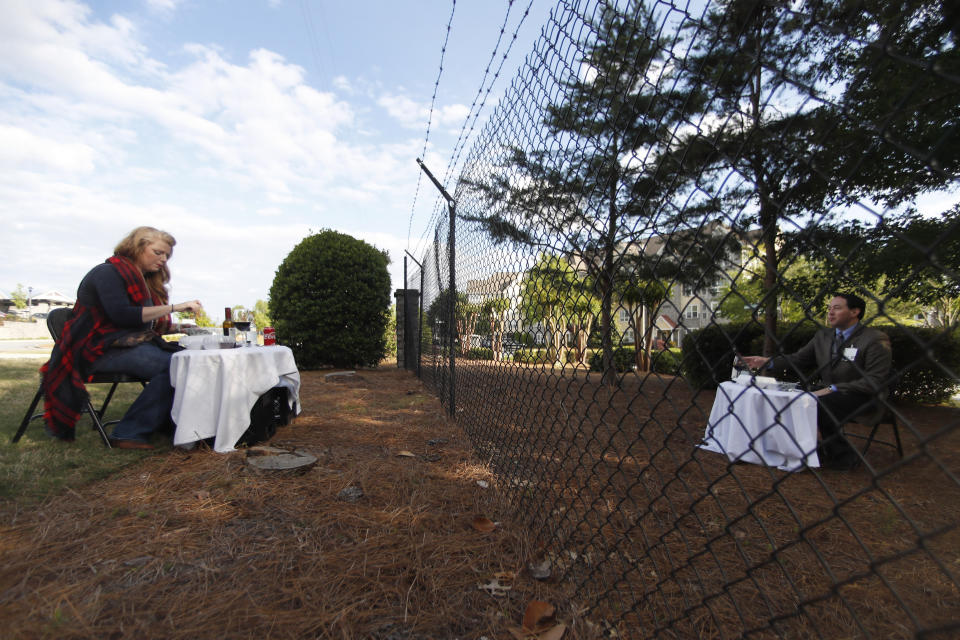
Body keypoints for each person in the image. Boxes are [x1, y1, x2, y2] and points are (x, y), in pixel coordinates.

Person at [41, 227, 203, 450]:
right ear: (137, 247)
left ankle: (173, 425)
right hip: (96, 349)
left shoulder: (140, 280)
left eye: (167, 255)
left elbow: (145, 323)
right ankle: (129, 432)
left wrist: (179, 327)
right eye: (158, 252)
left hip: (120, 345)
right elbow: (123, 314)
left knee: (187, 361)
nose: (163, 260)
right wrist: (177, 307)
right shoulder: (107, 273)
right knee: (174, 365)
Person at [739, 293, 893, 470]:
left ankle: (842, 456)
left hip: (863, 396)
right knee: (788, 397)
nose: (830, 313)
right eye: (829, 308)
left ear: (855, 312)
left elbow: (874, 381)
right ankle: (788, 449)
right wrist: (766, 361)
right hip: (829, 393)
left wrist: (833, 388)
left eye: (837, 308)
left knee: (819, 403)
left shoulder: (874, 339)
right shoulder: (823, 336)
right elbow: (798, 359)